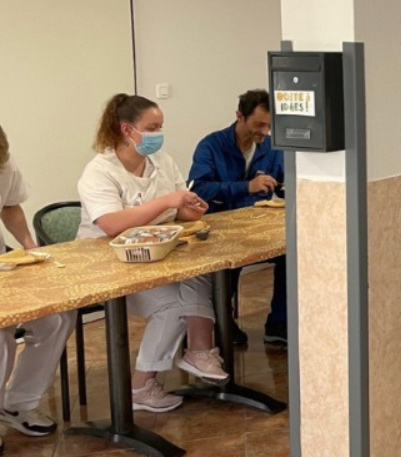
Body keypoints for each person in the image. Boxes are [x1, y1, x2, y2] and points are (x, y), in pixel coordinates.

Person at [77, 93, 229, 413]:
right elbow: (111, 225)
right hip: (111, 266)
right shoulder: (99, 170)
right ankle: (141, 386)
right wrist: (165, 202)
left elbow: (178, 209)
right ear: (127, 130)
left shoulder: (162, 161)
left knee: (200, 273)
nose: (159, 134)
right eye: (152, 128)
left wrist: (190, 211)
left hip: (159, 256)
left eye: (161, 126)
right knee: (171, 306)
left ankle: (200, 351)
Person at [189, 89, 288, 345]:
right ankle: (221, 323)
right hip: (219, 228)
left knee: (292, 255)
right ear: (239, 116)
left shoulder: (271, 147)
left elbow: (282, 183)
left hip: (256, 227)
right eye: (259, 124)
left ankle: (279, 324)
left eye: (269, 125)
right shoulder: (211, 146)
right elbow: (199, 189)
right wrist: (246, 187)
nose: (265, 132)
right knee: (226, 265)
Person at [0, 125, 72, 453]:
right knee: (1, 336)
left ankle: (19, 403)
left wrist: (29, 246)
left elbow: (10, 204)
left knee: (55, 319)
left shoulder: (4, 161)